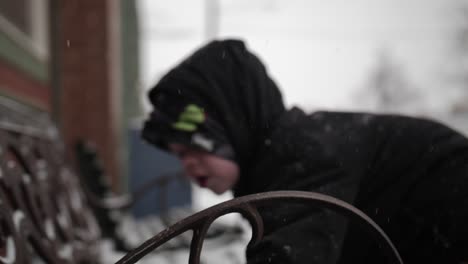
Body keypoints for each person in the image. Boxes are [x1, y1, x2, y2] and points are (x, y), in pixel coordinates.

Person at [141, 39, 468, 263]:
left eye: (193, 148)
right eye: (179, 155)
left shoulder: (303, 155)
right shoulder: (281, 159)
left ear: (234, 125)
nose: (186, 165)